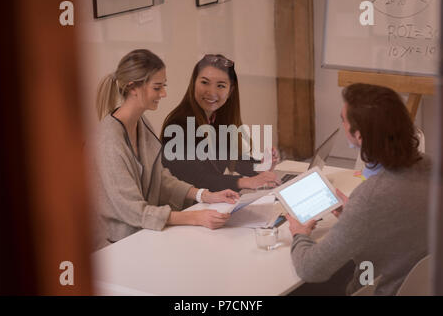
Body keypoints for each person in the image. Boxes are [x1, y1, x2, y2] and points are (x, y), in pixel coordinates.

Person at [286, 83, 431, 296]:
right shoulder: (430, 165)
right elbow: (405, 219)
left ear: (360, 136)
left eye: (343, 120)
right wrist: (354, 215)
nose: (342, 124)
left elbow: (311, 269)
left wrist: (299, 234)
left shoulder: (372, 196)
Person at [91, 49, 239, 250]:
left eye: (164, 86)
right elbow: (133, 211)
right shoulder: (108, 141)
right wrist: (194, 217)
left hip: (142, 234)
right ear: (133, 87)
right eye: (157, 87)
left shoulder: (141, 123)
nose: (164, 94)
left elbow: (160, 178)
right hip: (116, 246)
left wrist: (204, 195)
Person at [160, 54, 279, 192]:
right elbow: (195, 179)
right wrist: (244, 182)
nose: (211, 92)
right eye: (204, 82)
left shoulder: (217, 118)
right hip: (185, 208)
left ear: (230, 91)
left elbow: (234, 160)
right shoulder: (178, 125)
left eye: (221, 86)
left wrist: (261, 166)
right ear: (194, 83)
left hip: (210, 202)